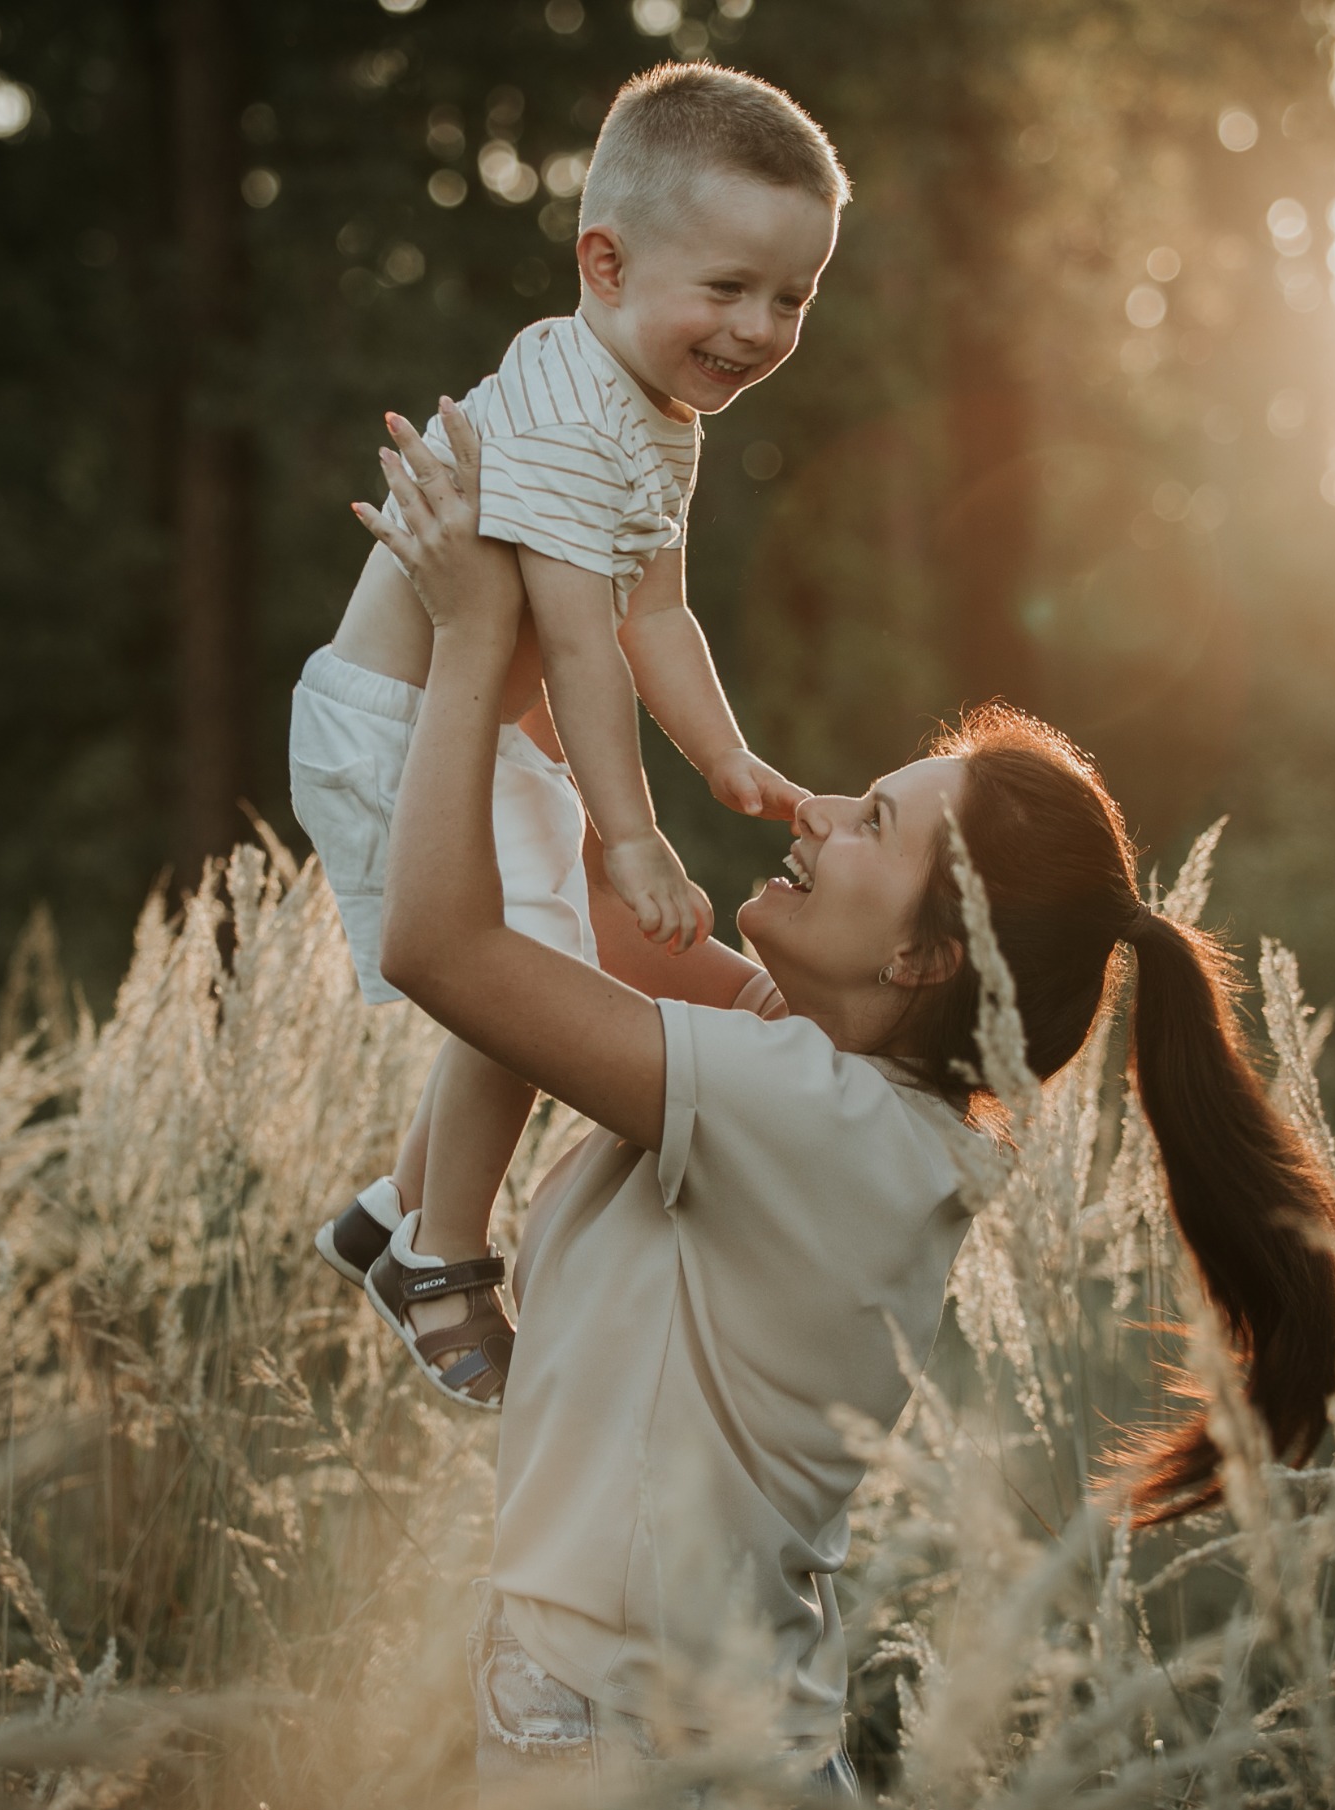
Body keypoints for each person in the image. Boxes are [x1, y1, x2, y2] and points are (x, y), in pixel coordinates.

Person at [354, 408, 1335, 1805]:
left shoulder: (812, 1120)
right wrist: (548, 575)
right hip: (710, 1740)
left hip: (633, 1750)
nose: (816, 812)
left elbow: (445, 952)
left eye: (872, 821)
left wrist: (468, 638)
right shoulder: (836, 1088)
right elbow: (565, 890)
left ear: (925, 960)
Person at [288, 63, 847, 1408]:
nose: (760, 327)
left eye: (793, 297)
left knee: (537, 959)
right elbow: (579, 639)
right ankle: (445, 1255)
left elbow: (659, 614)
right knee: (517, 981)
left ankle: (385, 1214)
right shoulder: (559, 422)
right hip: (400, 729)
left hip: (474, 729)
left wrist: (725, 758)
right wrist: (632, 837)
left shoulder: (657, 411)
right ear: (604, 261)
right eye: (728, 288)